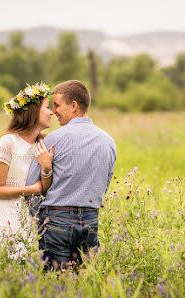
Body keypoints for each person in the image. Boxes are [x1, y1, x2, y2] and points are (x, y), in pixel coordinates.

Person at [25, 80, 117, 269]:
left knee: (54, 281)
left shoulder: (53, 140)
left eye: (57, 105)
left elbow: (30, 187)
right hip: (91, 219)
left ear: (73, 105)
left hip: (56, 220)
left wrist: (39, 219)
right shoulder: (108, 141)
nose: (54, 111)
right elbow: (104, 186)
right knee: (85, 279)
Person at [0, 83, 54, 256]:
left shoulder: (43, 143)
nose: (52, 112)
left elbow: (44, 188)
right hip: (5, 215)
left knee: (26, 267)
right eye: (47, 107)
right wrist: (32, 190)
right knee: (4, 265)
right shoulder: (8, 142)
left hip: (30, 217)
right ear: (33, 111)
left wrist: (46, 167)